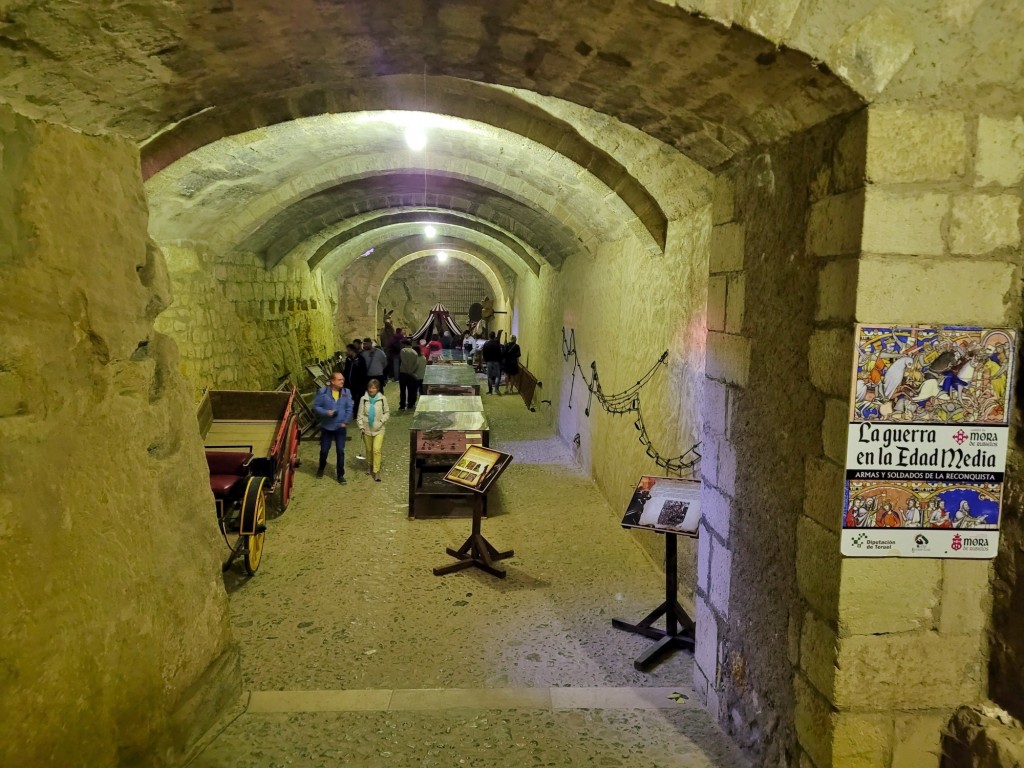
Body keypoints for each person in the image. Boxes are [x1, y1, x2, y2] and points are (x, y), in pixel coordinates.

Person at [313, 371, 353, 484]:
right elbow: (316, 406)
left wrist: (345, 421)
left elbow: (349, 408)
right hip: (327, 427)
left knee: (340, 451)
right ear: (332, 381)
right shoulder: (323, 392)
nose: (342, 381)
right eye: (339, 379)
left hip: (340, 427)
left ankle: (340, 475)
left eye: (343, 379)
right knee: (324, 450)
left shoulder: (346, 392)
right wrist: (326, 412)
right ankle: (321, 468)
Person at [357, 378, 390, 482]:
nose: (372, 390)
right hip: (366, 429)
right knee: (369, 450)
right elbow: (360, 414)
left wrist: (381, 421)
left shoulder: (382, 398)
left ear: (377, 389)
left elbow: (387, 412)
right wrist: (361, 426)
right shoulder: (363, 399)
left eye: (374, 388)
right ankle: (369, 465)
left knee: (376, 449)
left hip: (379, 429)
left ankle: (376, 471)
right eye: (370, 387)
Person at [343, 342, 367, 409]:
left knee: (358, 399)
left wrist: (362, 383)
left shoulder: (360, 359)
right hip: (350, 384)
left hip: (358, 384)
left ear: (352, 350)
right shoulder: (348, 359)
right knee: (351, 398)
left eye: (348, 350)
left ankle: (357, 413)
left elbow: (363, 372)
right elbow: (346, 370)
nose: (346, 352)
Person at [398, 338, 419, 410]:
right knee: (410, 389)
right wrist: (411, 371)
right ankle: (410, 404)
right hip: (411, 374)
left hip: (404, 373)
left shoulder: (403, 351)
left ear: (404, 344)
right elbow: (416, 364)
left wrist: (408, 371)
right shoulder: (415, 352)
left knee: (403, 390)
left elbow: (404, 362)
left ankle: (402, 404)